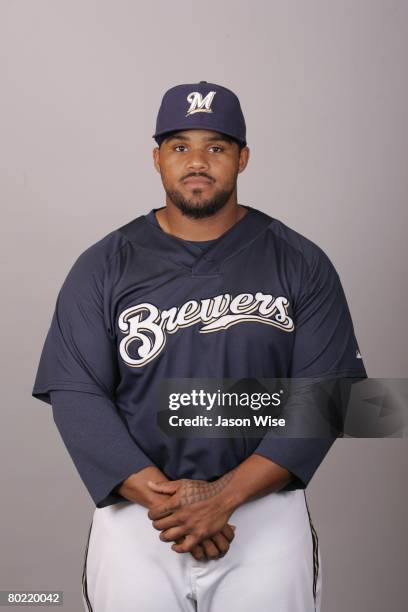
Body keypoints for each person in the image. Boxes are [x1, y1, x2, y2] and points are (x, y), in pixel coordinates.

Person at [32, 81, 367, 612]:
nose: (197, 161)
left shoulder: (301, 262)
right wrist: (176, 504)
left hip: (263, 516)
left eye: (216, 146)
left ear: (243, 157)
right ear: (157, 158)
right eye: (180, 145)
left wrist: (226, 497)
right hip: (139, 516)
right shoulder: (102, 264)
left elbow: (327, 396)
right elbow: (77, 396)